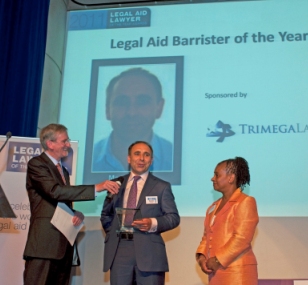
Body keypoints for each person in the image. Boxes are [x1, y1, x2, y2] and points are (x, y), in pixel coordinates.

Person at [23, 123, 120, 285]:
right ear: (50, 144)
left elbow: (60, 201)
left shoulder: (64, 171)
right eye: (64, 141)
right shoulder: (37, 164)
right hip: (44, 246)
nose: (68, 144)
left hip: (63, 246)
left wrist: (75, 213)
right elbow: (54, 191)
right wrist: (97, 187)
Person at [100, 141, 180, 285]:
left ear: (152, 160)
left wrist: (152, 223)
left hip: (150, 251)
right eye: (137, 154)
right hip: (120, 251)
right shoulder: (116, 184)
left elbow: (173, 218)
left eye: (146, 155)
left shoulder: (161, 186)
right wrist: (114, 234)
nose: (141, 158)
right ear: (129, 159)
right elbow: (106, 215)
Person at [92, 67, 173, 172]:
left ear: (159, 108)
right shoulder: (88, 156)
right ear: (107, 109)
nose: (132, 112)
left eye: (142, 102)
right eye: (122, 102)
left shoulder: (174, 155)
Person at [196, 157, 259, 285]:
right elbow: (207, 236)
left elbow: (242, 238)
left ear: (231, 178)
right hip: (215, 273)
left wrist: (218, 260)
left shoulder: (245, 202)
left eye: (216, 175)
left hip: (237, 273)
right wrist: (202, 257)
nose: (212, 178)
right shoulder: (213, 206)